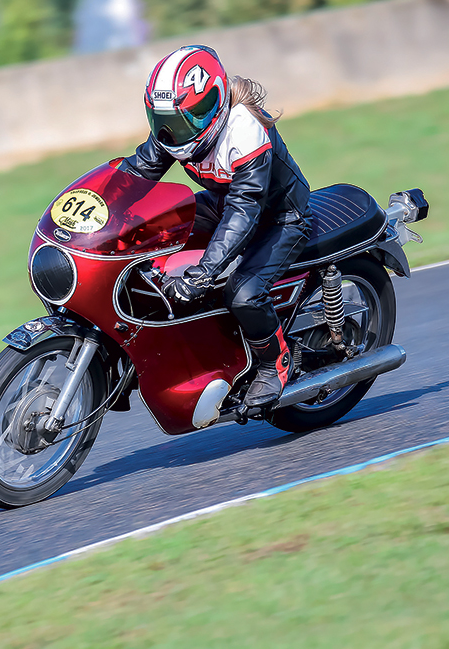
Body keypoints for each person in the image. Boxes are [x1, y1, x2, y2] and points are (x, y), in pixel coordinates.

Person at [121, 45, 314, 408]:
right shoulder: (176, 131)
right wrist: (95, 205)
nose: (173, 132)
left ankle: (275, 362)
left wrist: (203, 272)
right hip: (228, 205)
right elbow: (136, 174)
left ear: (212, 105)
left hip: (280, 217)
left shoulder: (245, 130)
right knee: (154, 235)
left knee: (242, 291)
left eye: (182, 120)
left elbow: (245, 210)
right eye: (163, 120)